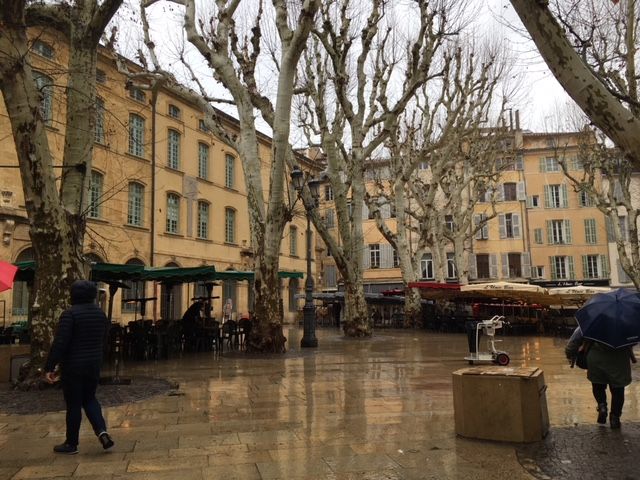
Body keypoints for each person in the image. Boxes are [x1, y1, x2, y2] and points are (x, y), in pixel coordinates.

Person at [44, 280, 114, 454]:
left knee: (74, 403)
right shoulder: (100, 314)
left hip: (73, 366)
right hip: (93, 364)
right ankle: (102, 432)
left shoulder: (70, 314)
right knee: (90, 398)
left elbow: (61, 343)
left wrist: (49, 366)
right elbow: (104, 341)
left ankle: (71, 443)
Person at [565, 326, 637, 429]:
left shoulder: (592, 322)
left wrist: (570, 354)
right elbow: (634, 341)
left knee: (598, 385)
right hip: (619, 360)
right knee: (618, 389)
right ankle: (615, 418)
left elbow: (573, 342)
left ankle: (602, 406)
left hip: (596, 359)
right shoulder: (625, 323)